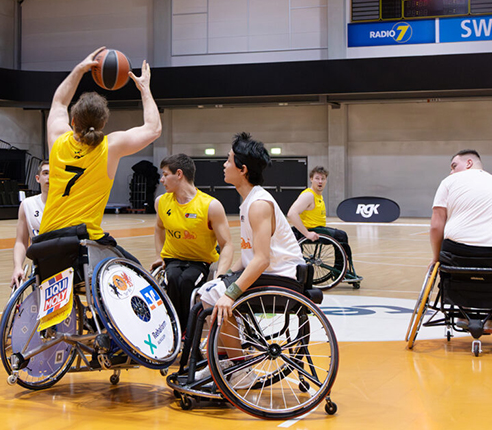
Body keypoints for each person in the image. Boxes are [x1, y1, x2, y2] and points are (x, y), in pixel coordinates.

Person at [196, 133, 305, 386]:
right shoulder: (249, 201)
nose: (224, 164)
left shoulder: (259, 205)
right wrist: (224, 278)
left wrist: (231, 291)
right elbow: (248, 256)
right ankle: (222, 363)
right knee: (208, 290)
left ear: (242, 169)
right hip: (270, 274)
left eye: (228, 159)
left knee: (217, 297)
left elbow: (261, 260)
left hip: (282, 279)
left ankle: (239, 369)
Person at [39, 47, 161, 264]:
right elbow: (153, 129)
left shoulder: (57, 138)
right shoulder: (110, 147)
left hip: (46, 241)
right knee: (134, 270)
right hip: (83, 243)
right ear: (104, 123)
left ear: (73, 121)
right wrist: (144, 89)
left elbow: (59, 102)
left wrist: (79, 70)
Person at [430, 149, 492, 333]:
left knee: (448, 258)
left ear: (468, 164)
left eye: (454, 166)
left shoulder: (449, 182)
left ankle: (461, 312)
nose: (451, 172)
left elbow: (436, 225)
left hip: (458, 255)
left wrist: (435, 258)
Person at [150, 153, 233, 330]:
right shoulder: (161, 202)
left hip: (199, 262)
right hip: (173, 259)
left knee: (187, 280)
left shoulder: (210, 205)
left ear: (179, 174)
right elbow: (159, 228)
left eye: (165, 174)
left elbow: (227, 245)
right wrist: (159, 255)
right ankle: (176, 330)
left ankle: (189, 333)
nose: (162, 180)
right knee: (172, 278)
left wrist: (220, 277)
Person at [287, 166, 362, 283]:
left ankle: (341, 270)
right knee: (341, 235)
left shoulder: (318, 196)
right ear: (311, 179)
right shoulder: (309, 195)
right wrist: (306, 233)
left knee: (341, 235)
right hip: (311, 230)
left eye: (323, 178)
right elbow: (291, 213)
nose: (320, 181)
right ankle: (340, 271)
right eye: (317, 178)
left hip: (318, 228)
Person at [10, 161, 49, 288]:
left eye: (54, 174)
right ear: (38, 178)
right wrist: (17, 267)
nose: (49, 177)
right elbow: (21, 241)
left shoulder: (68, 204)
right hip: (40, 266)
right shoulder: (27, 205)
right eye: (45, 173)